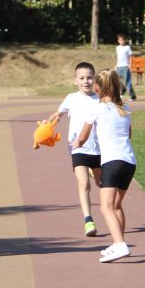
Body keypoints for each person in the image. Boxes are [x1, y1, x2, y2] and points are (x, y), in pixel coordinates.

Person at [76, 69, 137, 263]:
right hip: (129, 162)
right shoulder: (125, 108)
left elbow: (82, 137)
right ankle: (119, 242)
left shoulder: (96, 109)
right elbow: (129, 135)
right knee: (116, 205)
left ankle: (120, 245)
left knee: (105, 207)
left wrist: (76, 143)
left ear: (97, 88)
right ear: (117, 86)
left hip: (112, 162)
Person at [45, 62, 101, 237]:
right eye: (82, 78)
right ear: (75, 80)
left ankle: (93, 173)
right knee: (84, 184)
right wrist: (48, 124)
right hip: (78, 148)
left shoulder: (100, 99)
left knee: (100, 183)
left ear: (94, 79)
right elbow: (57, 114)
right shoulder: (71, 98)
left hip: (99, 149)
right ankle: (88, 220)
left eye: (89, 78)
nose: (86, 81)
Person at [115, 34, 136, 100]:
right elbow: (118, 57)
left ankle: (132, 96)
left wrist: (130, 65)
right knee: (120, 81)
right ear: (118, 41)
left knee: (128, 82)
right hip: (119, 67)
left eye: (123, 40)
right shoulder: (117, 48)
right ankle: (122, 93)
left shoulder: (127, 47)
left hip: (126, 67)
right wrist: (116, 65)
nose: (122, 42)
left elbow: (131, 57)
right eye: (120, 40)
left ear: (125, 41)